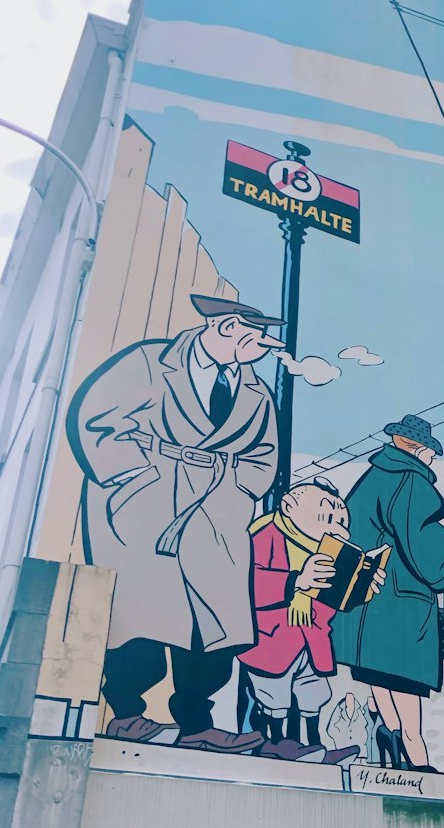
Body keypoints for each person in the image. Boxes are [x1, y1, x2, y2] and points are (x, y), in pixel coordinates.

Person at [67, 294, 282, 753]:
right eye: (253, 335)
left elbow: (264, 456)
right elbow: (95, 419)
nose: (262, 345)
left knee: (214, 620)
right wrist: (131, 476)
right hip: (146, 504)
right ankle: (126, 713)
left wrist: (236, 491)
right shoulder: (150, 361)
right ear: (225, 328)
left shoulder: (256, 391)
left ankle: (196, 723)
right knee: (142, 614)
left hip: (215, 513)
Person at [332, 415, 444, 773]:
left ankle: (389, 738)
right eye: (430, 452)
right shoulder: (412, 483)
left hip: (364, 606)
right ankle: (417, 759)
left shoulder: (371, 478)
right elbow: (426, 550)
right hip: (401, 603)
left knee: (378, 678)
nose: (432, 460)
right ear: (416, 449)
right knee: (405, 685)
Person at [241, 477, 377, 764]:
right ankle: (278, 742)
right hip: (271, 638)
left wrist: (360, 589)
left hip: (311, 639)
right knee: (274, 695)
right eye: (327, 517)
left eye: (341, 522)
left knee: (312, 694)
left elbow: (334, 600)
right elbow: (249, 584)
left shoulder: (330, 555)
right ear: (288, 507)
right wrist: (296, 581)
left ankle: (315, 744)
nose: (336, 528)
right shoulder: (265, 536)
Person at [325, 691, 375, 767]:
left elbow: (364, 727)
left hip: (360, 754)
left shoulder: (358, 709)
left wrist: (361, 740)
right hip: (343, 751)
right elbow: (330, 729)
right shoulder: (340, 708)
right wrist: (339, 737)